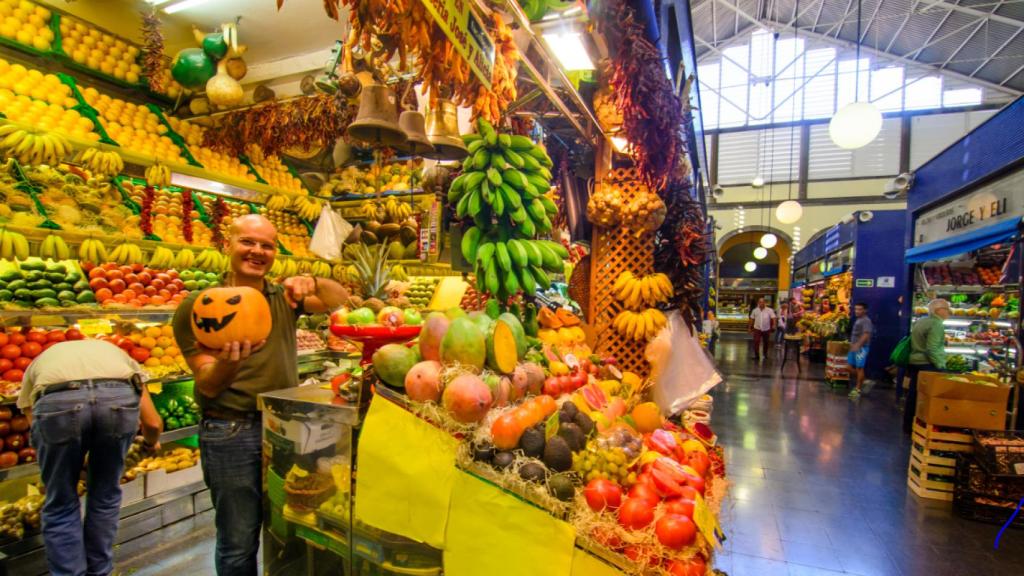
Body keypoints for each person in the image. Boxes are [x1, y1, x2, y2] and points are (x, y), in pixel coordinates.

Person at [173, 214, 349, 575]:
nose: (257, 251)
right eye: (247, 242)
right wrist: (230, 363)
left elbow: (339, 299)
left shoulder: (283, 296)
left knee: (290, 524)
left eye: (266, 245)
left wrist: (312, 279)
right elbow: (206, 384)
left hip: (284, 428)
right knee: (238, 539)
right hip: (231, 431)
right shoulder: (199, 306)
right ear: (228, 244)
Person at [19, 339, 163, 576]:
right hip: (118, 398)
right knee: (105, 496)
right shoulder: (122, 358)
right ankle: (100, 571)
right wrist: (148, 444)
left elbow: (35, 424)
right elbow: (153, 422)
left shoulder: (38, 363)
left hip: (56, 401)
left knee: (61, 502)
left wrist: (61, 460)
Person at [903, 298, 950, 433]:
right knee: (928, 398)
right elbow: (932, 348)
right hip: (927, 364)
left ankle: (908, 426)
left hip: (915, 362)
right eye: (946, 309)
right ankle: (922, 428)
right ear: (938, 310)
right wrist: (941, 366)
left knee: (913, 395)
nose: (949, 312)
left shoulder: (921, 321)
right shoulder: (937, 324)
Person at [848, 302, 874, 399]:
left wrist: (858, 345)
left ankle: (858, 389)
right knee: (848, 367)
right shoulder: (859, 320)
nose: (857, 311)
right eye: (856, 309)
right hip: (854, 347)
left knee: (859, 368)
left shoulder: (866, 321)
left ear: (865, 310)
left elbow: (866, 334)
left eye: (859, 309)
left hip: (861, 348)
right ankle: (865, 380)